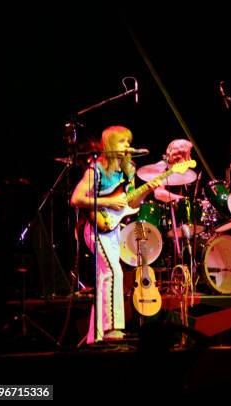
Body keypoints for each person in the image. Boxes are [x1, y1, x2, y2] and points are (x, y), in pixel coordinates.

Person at [71, 125, 161, 343]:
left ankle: (96, 335)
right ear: (110, 145)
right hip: (95, 228)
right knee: (113, 272)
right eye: (123, 142)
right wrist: (108, 201)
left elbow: (130, 203)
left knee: (106, 276)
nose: (128, 146)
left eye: (129, 141)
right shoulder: (96, 169)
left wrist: (148, 190)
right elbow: (76, 198)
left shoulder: (127, 170)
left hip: (112, 229)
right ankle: (112, 330)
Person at [154, 138, 194, 204]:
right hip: (158, 211)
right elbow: (158, 193)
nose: (189, 157)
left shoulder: (180, 169)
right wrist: (182, 200)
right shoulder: (162, 167)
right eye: (188, 154)